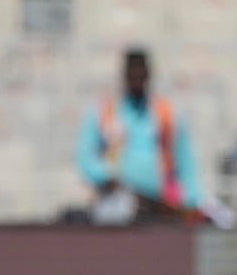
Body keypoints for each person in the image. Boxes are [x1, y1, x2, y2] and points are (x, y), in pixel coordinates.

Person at [75, 47, 210, 225]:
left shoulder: (167, 113)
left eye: (141, 72)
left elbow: (185, 160)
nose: (136, 77)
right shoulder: (105, 111)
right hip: (118, 203)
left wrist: (191, 201)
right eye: (132, 72)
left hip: (162, 204)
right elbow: (85, 156)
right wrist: (106, 176)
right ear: (124, 75)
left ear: (148, 74)